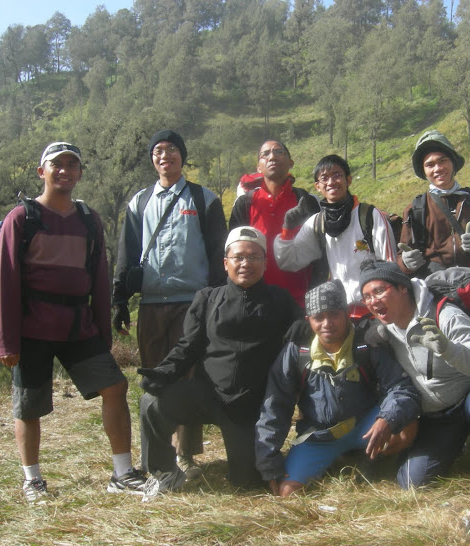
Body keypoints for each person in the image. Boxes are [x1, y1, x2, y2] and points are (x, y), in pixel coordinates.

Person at [0, 142, 146, 503]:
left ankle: (122, 472)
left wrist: (103, 331)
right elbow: (5, 281)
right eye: (56, 165)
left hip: (78, 327)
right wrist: (6, 342)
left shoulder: (88, 219)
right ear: (41, 172)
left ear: (79, 173)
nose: (64, 171)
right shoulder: (21, 218)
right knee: (29, 405)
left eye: (72, 165)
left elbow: (99, 277)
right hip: (32, 329)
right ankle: (32, 480)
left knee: (115, 387)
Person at [138, 226, 303, 496]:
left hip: (249, 407)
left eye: (254, 257)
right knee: (152, 402)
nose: (245, 263)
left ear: (265, 262)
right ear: (226, 263)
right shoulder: (207, 298)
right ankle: (164, 472)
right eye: (238, 257)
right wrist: (163, 372)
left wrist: (301, 327)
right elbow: (187, 345)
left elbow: (303, 327)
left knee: (246, 483)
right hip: (208, 395)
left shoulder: (280, 300)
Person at [112, 129, 227, 473]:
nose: (165, 156)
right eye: (158, 151)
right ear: (152, 159)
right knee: (153, 375)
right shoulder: (139, 202)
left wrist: (216, 300)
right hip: (150, 305)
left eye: (172, 150)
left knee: (188, 374)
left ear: (182, 156)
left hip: (192, 303)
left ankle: (186, 454)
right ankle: (158, 457)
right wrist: (119, 300)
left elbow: (216, 251)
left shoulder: (204, 199)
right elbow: (127, 252)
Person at [255, 280, 420, 497]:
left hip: (365, 426)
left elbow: (401, 387)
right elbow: (275, 405)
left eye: (333, 314)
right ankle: (344, 458)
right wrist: (268, 461)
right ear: (308, 320)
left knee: (407, 425)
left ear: (345, 313)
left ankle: (373, 459)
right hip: (320, 436)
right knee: (288, 493)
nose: (327, 323)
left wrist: (387, 419)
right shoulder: (297, 351)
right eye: (318, 317)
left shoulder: (367, 343)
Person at [359, 260, 470, 488]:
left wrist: (448, 350)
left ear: (403, 288)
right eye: (367, 297)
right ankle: (454, 445)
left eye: (379, 291)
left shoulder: (445, 313)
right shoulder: (383, 331)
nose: (373, 301)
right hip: (436, 418)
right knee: (412, 483)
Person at [274, 154, 397, 320]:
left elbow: (390, 267)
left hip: (373, 313)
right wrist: (287, 229)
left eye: (337, 175)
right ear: (317, 186)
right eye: (324, 178)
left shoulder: (370, 216)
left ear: (349, 180)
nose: (331, 182)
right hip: (337, 316)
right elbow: (290, 261)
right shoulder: (317, 223)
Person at [229, 140, 320, 308]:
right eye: (265, 154)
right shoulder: (245, 204)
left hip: (299, 303)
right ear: (258, 167)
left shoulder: (307, 202)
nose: (272, 156)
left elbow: (320, 256)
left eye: (278, 152)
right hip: (255, 303)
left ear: (290, 163)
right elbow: (232, 254)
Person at [397, 131, 470, 278]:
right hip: (439, 291)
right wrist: (406, 263)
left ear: (453, 162)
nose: (438, 168)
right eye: (430, 165)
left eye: (442, 160)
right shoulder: (415, 209)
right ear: (424, 171)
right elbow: (402, 256)